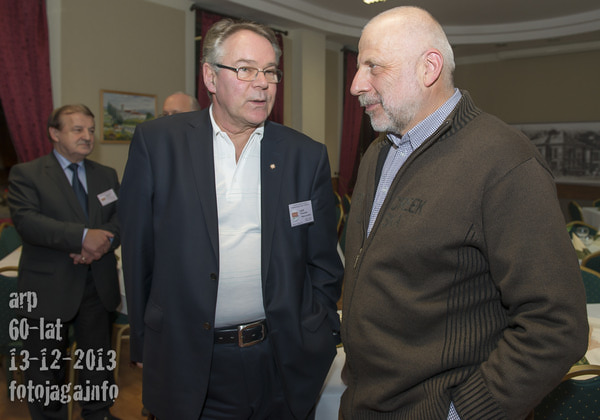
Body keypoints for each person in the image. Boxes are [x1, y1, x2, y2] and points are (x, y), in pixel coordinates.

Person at [340, 6, 589, 420]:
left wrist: (461, 413)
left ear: (429, 68)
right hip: (363, 403)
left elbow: (556, 325)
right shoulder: (377, 154)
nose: (355, 85)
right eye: (357, 67)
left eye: (373, 67)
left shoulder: (504, 160)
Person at [119, 19, 343, 420]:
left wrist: (318, 330)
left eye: (270, 71)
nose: (262, 84)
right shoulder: (159, 144)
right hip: (190, 362)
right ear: (210, 76)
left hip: (283, 361)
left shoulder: (305, 155)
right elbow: (139, 253)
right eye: (245, 69)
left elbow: (323, 261)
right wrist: (143, 340)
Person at [8, 104, 121, 420]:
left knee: (96, 359)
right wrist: (83, 237)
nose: (87, 136)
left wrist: (102, 243)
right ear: (54, 133)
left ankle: (98, 413)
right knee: (45, 366)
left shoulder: (106, 175)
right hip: (47, 286)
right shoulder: (27, 174)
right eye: (78, 129)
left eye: (91, 130)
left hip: (97, 284)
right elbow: (28, 222)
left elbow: (121, 218)